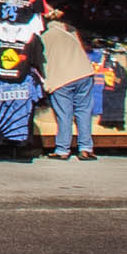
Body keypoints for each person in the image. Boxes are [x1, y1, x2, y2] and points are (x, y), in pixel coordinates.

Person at [40, 9, 99, 161]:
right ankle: (86, 149)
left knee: (64, 114)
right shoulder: (71, 30)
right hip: (84, 73)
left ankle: (62, 150)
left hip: (61, 78)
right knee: (83, 111)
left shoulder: (44, 36)